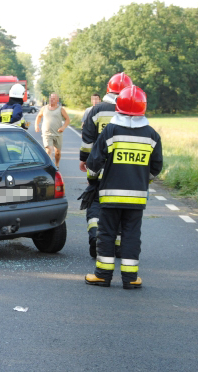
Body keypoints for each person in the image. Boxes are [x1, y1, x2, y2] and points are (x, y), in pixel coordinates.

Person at [84, 86, 163, 290]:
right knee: (131, 235)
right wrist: (143, 180)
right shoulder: (152, 135)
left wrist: (93, 180)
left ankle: (102, 276)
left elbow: (94, 162)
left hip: (110, 195)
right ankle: (130, 279)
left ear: (118, 106)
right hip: (136, 198)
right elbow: (156, 168)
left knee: (107, 233)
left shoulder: (111, 130)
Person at [79, 73, 133, 257]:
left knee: (95, 201)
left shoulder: (97, 109)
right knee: (119, 207)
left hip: (99, 166)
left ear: (107, 90)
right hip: (125, 169)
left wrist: (84, 160)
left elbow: (87, 139)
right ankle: (116, 245)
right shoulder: (132, 111)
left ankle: (95, 234)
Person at [35, 93, 70, 169]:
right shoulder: (44, 108)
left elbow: (67, 119)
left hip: (58, 134)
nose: (51, 99)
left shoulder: (61, 109)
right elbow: (39, 116)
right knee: (49, 150)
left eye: (54, 98)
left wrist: (63, 127)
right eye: (51, 98)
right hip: (47, 133)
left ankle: (57, 164)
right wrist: (36, 125)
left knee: (57, 153)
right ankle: (50, 167)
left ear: (57, 100)